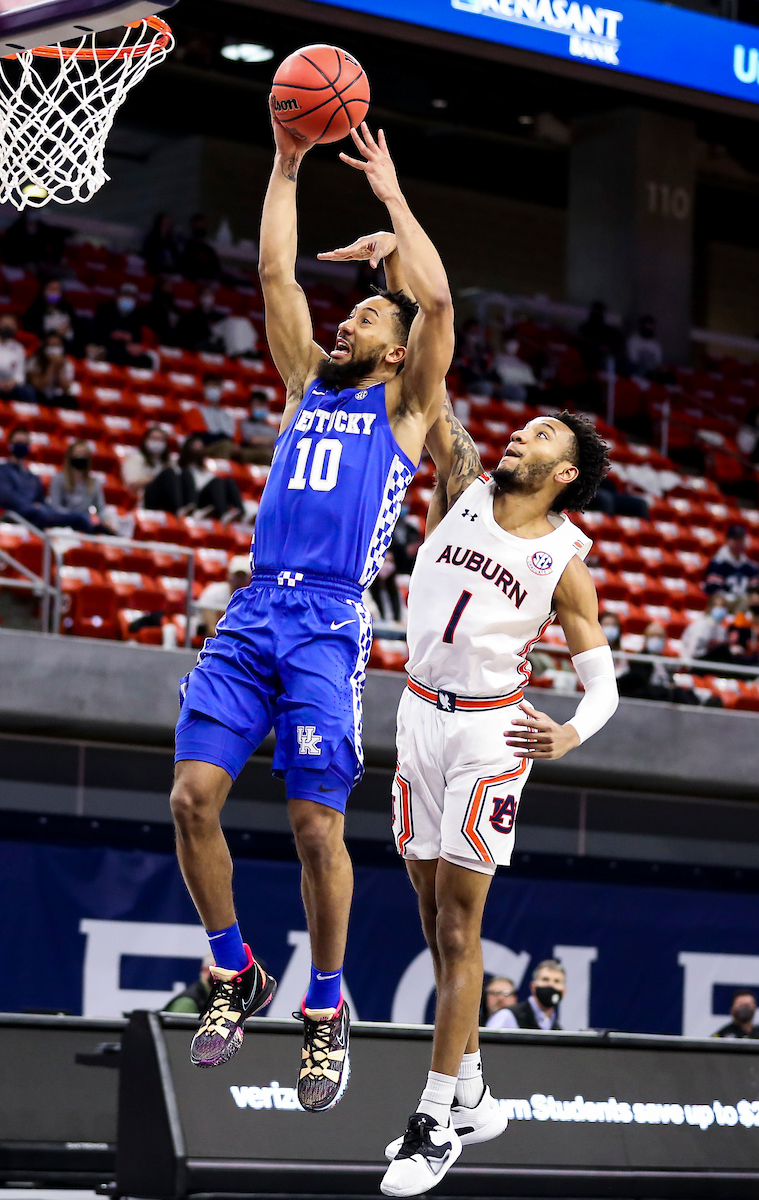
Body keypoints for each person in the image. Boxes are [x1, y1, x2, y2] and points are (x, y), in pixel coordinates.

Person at [170, 121, 454, 1118]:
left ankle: (326, 1006)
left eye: (367, 322)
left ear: (396, 346)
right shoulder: (303, 388)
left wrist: (390, 199)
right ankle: (232, 970)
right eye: (348, 322)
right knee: (190, 799)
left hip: (329, 626)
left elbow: (438, 300)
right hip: (253, 614)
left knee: (309, 823)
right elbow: (272, 270)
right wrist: (286, 165)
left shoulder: (406, 412)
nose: (346, 328)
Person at [380, 384, 618, 1193]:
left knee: (456, 925)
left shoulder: (566, 562)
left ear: (565, 471)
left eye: (541, 434)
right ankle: (476, 1089)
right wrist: (402, 279)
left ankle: (434, 1121)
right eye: (523, 428)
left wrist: (570, 733)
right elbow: (428, 375)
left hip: (491, 734)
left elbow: (603, 688)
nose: (519, 436)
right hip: (416, 716)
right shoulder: (463, 485)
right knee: (428, 910)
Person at [0, 426, 96, 532]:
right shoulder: (0, 471)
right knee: (40, 513)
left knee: (78, 517)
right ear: (10, 445)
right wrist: (31, 506)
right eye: (19, 442)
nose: (22, 446)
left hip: (37, 515)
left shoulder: (32, 477)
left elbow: (41, 500)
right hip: (14, 515)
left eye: (25, 443)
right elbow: (4, 497)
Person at [177, 435, 244, 522]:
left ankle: (242, 513)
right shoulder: (181, 469)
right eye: (195, 446)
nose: (199, 449)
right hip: (194, 498)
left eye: (200, 446)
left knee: (229, 482)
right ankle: (222, 514)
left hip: (208, 498)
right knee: (217, 482)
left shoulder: (205, 471)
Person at [49, 440, 111, 530]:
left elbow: (101, 509)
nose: (81, 457)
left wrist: (101, 519)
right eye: (78, 454)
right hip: (62, 524)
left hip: (86, 526)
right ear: (70, 457)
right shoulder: (58, 479)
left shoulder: (94, 483)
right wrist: (76, 517)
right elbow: (55, 506)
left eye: (84, 454)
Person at [486, 962, 565, 1031]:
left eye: (557, 981)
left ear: (564, 991)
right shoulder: (509, 1016)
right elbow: (487, 1045)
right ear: (533, 987)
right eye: (545, 980)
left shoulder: (556, 1027)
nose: (551, 985)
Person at [91, 283, 152, 367]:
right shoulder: (105, 312)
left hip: (127, 353)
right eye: (125, 295)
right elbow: (97, 335)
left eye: (131, 296)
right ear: (117, 296)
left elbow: (137, 340)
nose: (128, 299)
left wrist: (133, 346)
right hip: (108, 348)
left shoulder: (137, 317)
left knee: (147, 360)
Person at [182, 374, 237, 457]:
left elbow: (233, 438)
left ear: (221, 389)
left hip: (226, 447)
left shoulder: (228, 415)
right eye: (210, 386)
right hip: (205, 448)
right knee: (226, 445)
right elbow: (199, 436)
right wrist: (222, 437)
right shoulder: (195, 411)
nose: (213, 390)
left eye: (216, 386)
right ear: (203, 388)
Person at [196, 555, 251, 638]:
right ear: (229, 575)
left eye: (242, 576)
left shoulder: (250, 598)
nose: (239, 580)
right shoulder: (213, 592)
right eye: (237, 575)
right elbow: (210, 625)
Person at [121, 426, 176, 507]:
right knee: (168, 474)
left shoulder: (170, 462)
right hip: (145, 499)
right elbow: (132, 486)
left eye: (160, 440)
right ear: (145, 440)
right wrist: (159, 478)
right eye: (154, 438)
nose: (157, 442)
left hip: (166, 500)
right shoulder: (136, 459)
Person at [704, 524, 758, 598]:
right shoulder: (718, 563)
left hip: (744, 604)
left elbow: (754, 589)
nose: (738, 543)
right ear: (727, 540)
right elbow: (714, 590)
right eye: (735, 539)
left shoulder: (749, 566)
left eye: (741, 540)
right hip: (725, 603)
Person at [22, 280, 75, 349]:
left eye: (57, 290)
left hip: (67, 348)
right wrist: (55, 333)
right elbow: (32, 334)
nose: (54, 292)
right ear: (43, 290)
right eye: (52, 289)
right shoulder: (34, 310)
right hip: (43, 348)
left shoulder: (68, 308)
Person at [26, 334, 76, 407]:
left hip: (55, 397)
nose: (54, 349)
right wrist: (51, 367)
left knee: (70, 400)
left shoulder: (67, 363)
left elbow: (66, 389)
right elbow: (38, 386)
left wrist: (60, 368)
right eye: (51, 345)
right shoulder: (35, 360)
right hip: (38, 395)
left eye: (57, 346)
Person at [681, 593, 729, 662]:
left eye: (723, 607)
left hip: (711, 661)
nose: (721, 609)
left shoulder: (721, 629)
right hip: (696, 661)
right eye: (718, 606)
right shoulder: (701, 624)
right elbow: (692, 650)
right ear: (710, 607)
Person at [237, 389, 277, 465]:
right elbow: (252, 440)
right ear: (251, 406)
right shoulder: (245, 423)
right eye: (258, 405)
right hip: (250, 451)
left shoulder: (271, 427)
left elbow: (276, 442)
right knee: (268, 455)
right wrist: (268, 441)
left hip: (267, 452)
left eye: (263, 405)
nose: (261, 407)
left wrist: (263, 440)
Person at [139, 278, 182, 347]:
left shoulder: (173, 307)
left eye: (171, 287)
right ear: (160, 287)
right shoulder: (152, 306)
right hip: (155, 342)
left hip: (172, 342)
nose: (169, 289)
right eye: (166, 287)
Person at [176, 286, 221, 352]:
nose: (207, 298)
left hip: (214, 352)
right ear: (199, 297)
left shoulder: (218, 317)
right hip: (195, 352)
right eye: (204, 295)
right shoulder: (190, 316)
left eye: (210, 295)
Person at [181, 213, 221, 282]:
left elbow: (215, 266)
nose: (203, 227)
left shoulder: (208, 248)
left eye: (204, 225)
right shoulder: (187, 245)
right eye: (200, 224)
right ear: (193, 226)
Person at [142, 212, 184, 277]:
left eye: (169, 223)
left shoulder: (173, 241)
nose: (168, 225)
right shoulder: (151, 239)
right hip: (157, 272)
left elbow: (176, 258)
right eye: (165, 223)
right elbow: (150, 257)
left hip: (172, 272)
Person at [626, 315, 663, 379]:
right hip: (636, 372)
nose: (649, 328)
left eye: (651, 327)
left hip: (652, 373)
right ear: (641, 326)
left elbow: (658, 363)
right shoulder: (633, 340)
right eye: (647, 326)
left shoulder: (656, 344)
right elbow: (633, 360)